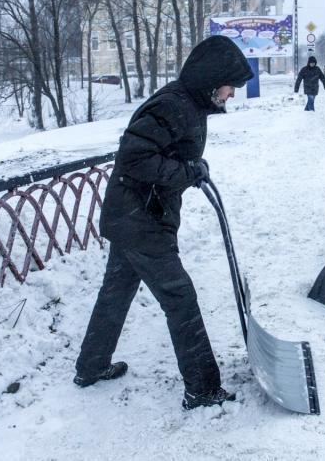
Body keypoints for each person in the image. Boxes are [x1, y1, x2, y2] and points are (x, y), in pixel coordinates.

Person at [74, 35, 254, 410]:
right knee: (180, 299)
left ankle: (91, 366)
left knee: (115, 293)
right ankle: (203, 388)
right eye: (230, 86)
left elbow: (167, 155)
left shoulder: (189, 105)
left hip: (136, 215)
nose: (232, 94)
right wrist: (186, 172)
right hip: (142, 219)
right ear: (212, 79)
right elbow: (135, 158)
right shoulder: (174, 105)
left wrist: (190, 168)